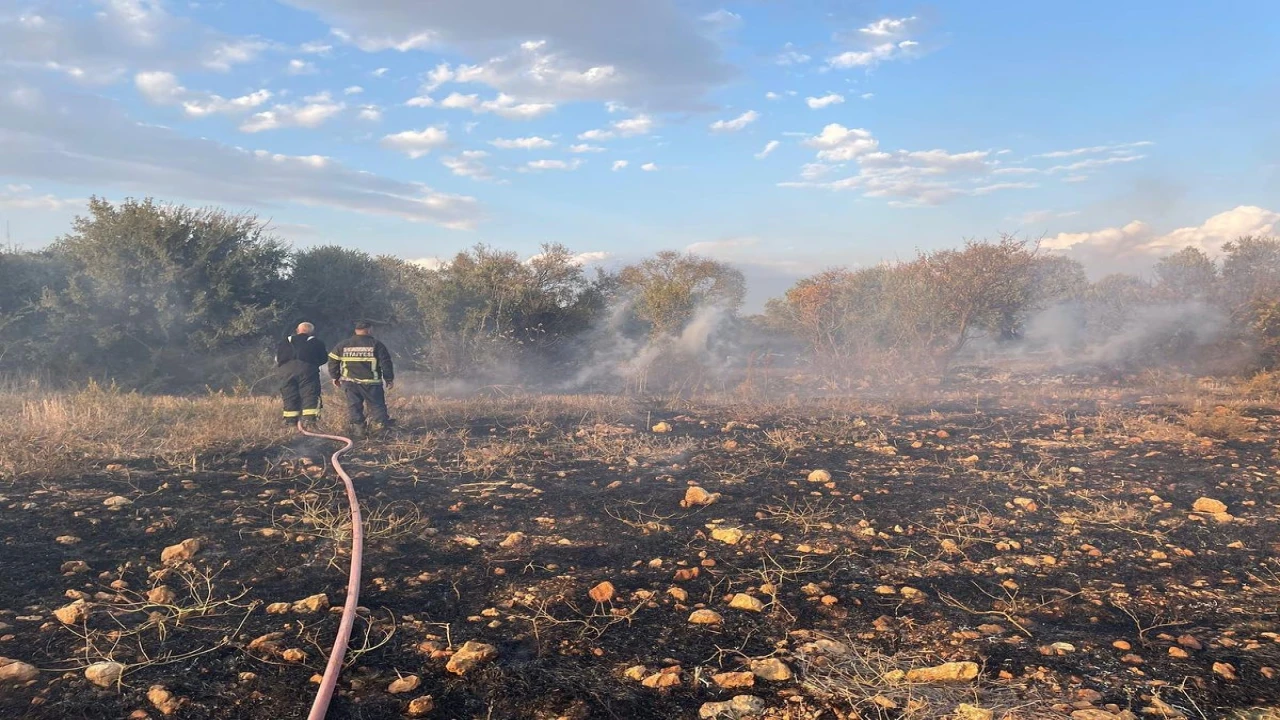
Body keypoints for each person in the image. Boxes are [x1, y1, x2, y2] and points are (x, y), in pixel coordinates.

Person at [328, 320, 395, 435]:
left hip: (350, 383)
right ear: (369, 330)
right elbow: (386, 363)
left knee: (354, 406)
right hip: (371, 383)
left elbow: (332, 360)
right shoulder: (377, 345)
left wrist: (335, 376)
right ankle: (380, 430)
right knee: (377, 406)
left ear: (356, 331)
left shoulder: (343, 344)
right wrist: (389, 379)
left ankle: (358, 431)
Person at [277, 321, 328, 428]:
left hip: (286, 371)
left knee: (289, 395)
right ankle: (310, 422)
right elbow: (323, 359)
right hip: (307, 370)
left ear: (297, 330)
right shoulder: (316, 342)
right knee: (309, 394)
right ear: (312, 332)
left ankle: (290, 423)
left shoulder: (285, 341)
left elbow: (279, 357)